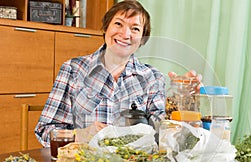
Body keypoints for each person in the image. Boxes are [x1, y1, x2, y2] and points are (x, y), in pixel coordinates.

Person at [35, 0, 200, 147]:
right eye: (118, 24)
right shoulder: (73, 69)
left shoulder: (152, 77)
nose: (125, 34)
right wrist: (81, 135)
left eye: (135, 28)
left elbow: (163, 133)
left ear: (142, 38)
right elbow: (45, 131)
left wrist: (183, 96)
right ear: (106, 28)